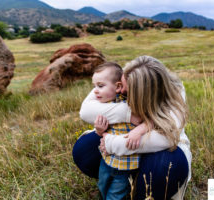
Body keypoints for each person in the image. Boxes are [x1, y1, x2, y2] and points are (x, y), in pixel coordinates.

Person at [73, 56, 192, 200]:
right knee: (84, 151)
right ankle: (126, 180)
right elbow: (86, 111)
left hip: (158, 147)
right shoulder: (125, 76)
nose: (120, 90)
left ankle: (140, 188)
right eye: (120, 85)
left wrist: (115, 144)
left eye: (126, 91)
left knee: (162, 168)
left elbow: (168, 138)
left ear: (145, 95)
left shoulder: (175, 91)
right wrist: (128, 114)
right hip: (121, 134)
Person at [90, 62, 145, 200]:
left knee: (116, 194)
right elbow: (104, 131)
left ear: (118, 86)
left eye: (100, 86)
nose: (95, 90)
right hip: (107, 159)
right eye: (94, 86)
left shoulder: (132, 101)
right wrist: (99, 131)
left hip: (126, 165)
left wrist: (139, 130)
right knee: (103, 185)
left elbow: (151, 120)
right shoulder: (103, 107)